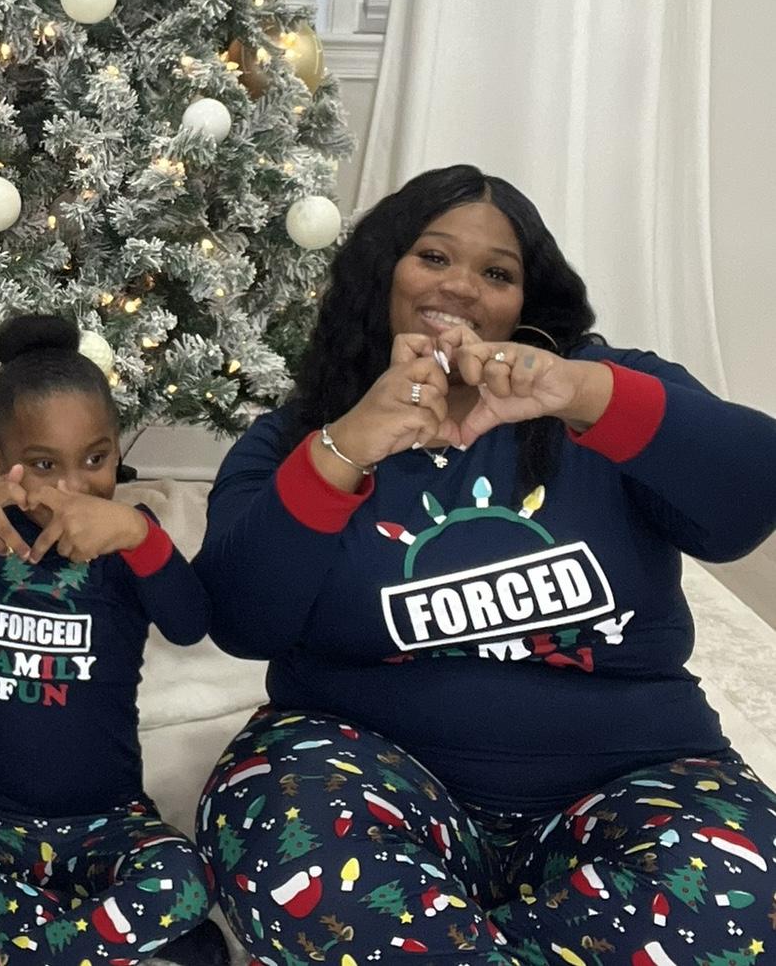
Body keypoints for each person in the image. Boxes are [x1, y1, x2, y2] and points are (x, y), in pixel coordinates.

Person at [193, 164, 776, 964]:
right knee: (282, 838)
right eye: (434, 256)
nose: (463, 286)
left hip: (634, 774)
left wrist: (583, 393)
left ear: (526, 303)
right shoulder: (299, 438)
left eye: (498, 273)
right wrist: (346, 447)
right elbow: (239, 617)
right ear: (383, 271)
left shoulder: (602, 391)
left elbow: (748, 500)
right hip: (366, 766)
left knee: (746, 893)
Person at [0, 316, 225, 966]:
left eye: (95, 459)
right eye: (45, 464)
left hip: (115, 820)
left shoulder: (129, 534)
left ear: (118, 448)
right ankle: (100, 942)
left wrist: (140, 537)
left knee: (185, 879)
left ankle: (14, 951)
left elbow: (190, 623)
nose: (73, 487)